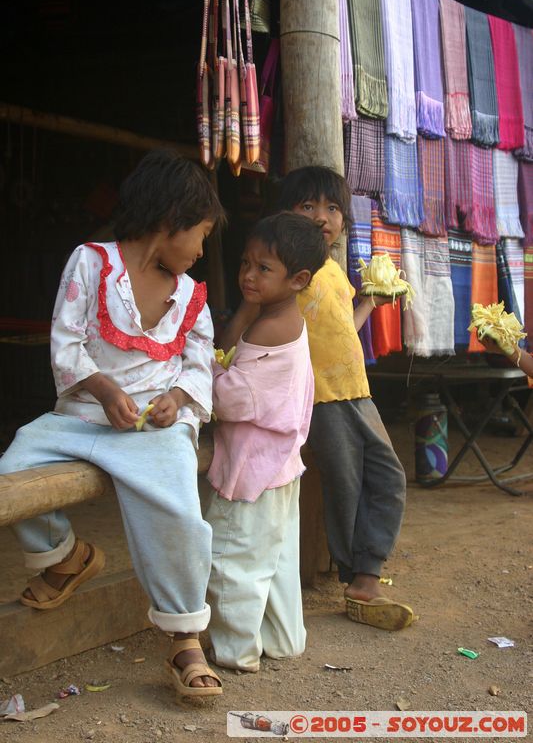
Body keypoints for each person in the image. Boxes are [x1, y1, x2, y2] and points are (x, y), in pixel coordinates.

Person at [0, 149, 226, 699]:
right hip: (82, 418)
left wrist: (177, 397)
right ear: (170, 219)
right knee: (15, 466)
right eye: (200, 235)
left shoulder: (190, 297)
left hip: (153, 431)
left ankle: (184, 636)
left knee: (178, 513)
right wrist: (103, 390)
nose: (201, 251)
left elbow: (200, 365)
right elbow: (66, 342)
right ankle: (66, 556)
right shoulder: (91, 262)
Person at [221, 166, 414, 631]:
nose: (322, 217)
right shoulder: (287, 275)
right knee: (346, 485)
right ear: (285, 213)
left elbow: (344, 325)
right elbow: (246, 322)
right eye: (307, 206)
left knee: (388, 476)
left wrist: (370, 302)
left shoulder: (331, 272)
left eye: (332, 208)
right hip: (322, 397)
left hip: (357, 391)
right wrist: (225, 351)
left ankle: (367, 569)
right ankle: (359, 579)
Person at [203, 212, 328, 672]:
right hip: (279, 466)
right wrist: (248, 304)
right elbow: (234, 346)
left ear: (298, 280)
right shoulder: (279, 317)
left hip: (251, 472)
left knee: (234, 559)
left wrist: (203, 369)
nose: (248, 275)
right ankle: (283, 639)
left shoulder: (270, 328)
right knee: (275, 561)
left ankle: (235, 651)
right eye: (245, 263)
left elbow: (233, 399)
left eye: (263, 268)